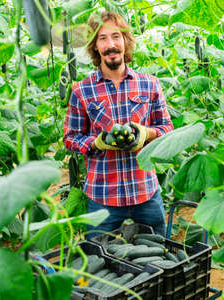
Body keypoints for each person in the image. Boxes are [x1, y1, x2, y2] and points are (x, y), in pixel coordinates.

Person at [63, 11, 173, 239]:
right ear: (95, 46)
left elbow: (166, 129)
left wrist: (146, 133)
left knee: (159, 253)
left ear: (126, 41)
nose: (110, 44)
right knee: (100, 261)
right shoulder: (81, 90)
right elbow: (70, 138)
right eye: (102, 38)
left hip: (145, 191)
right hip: (103, 196)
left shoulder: (149, 84)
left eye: (116, 36)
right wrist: (98, 143)